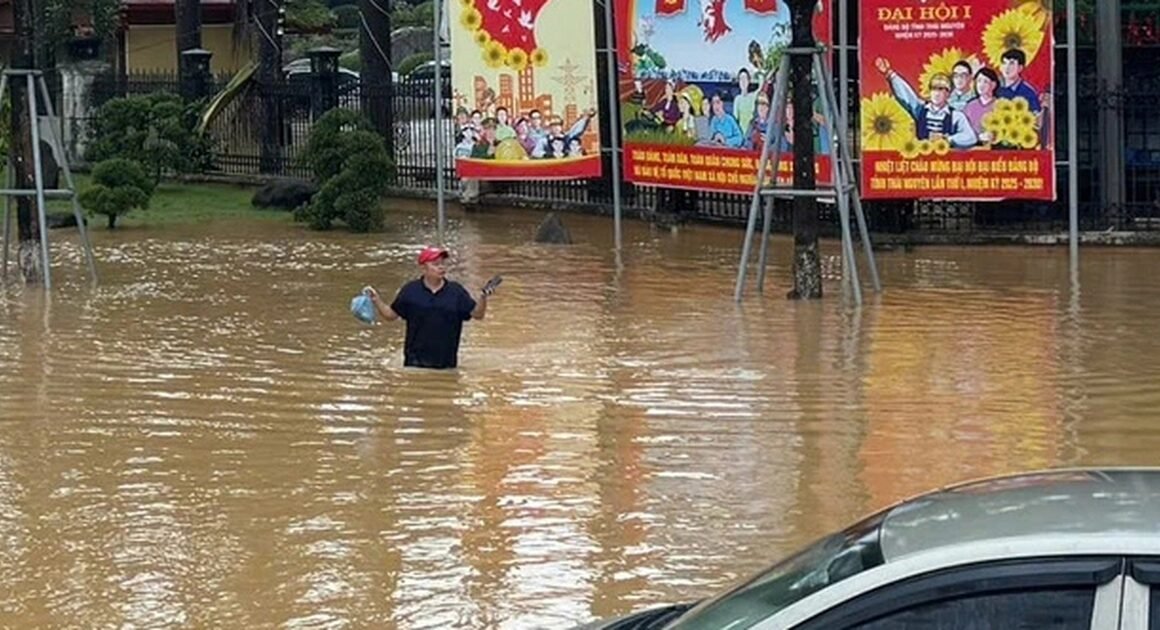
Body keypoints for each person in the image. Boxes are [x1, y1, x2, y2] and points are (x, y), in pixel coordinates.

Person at [366, 246, 494, 369]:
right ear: (423, 267)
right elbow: (391, 315)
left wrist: (483, 297)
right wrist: (376, 300)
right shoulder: (410, 291)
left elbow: (477, 315)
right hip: (414, 364)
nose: (441, 267)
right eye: (436, 264)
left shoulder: (456, 292)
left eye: (443, 263)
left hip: (446, 364)